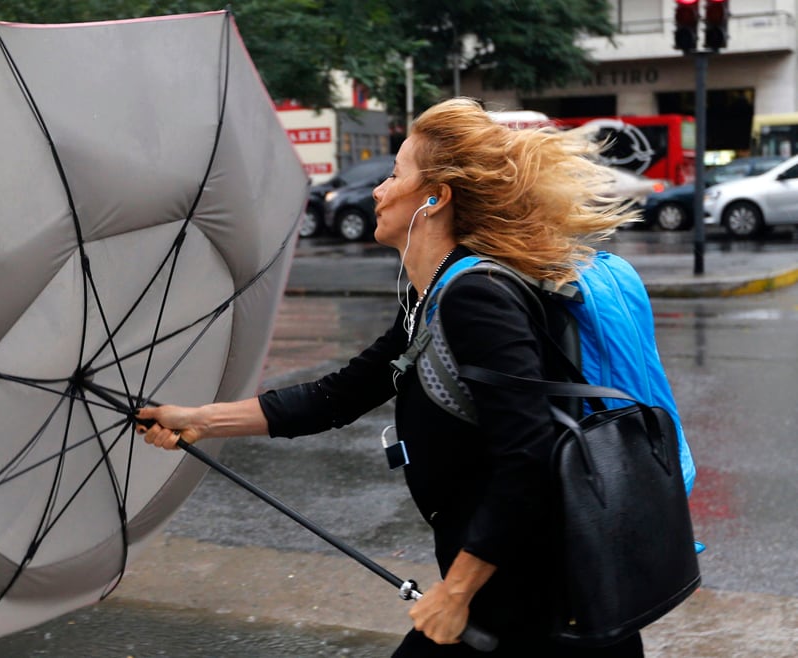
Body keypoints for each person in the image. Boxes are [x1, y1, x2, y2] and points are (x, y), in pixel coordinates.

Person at [136, 97, 644, 657]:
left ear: (436, 197)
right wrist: (198, 421)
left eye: (394, 174)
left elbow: (529, 459)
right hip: (508, 600)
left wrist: (456, 591)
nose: (378, 190)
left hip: (540, 611)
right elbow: (336, 396)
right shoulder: (438, 300)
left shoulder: (475, 299)